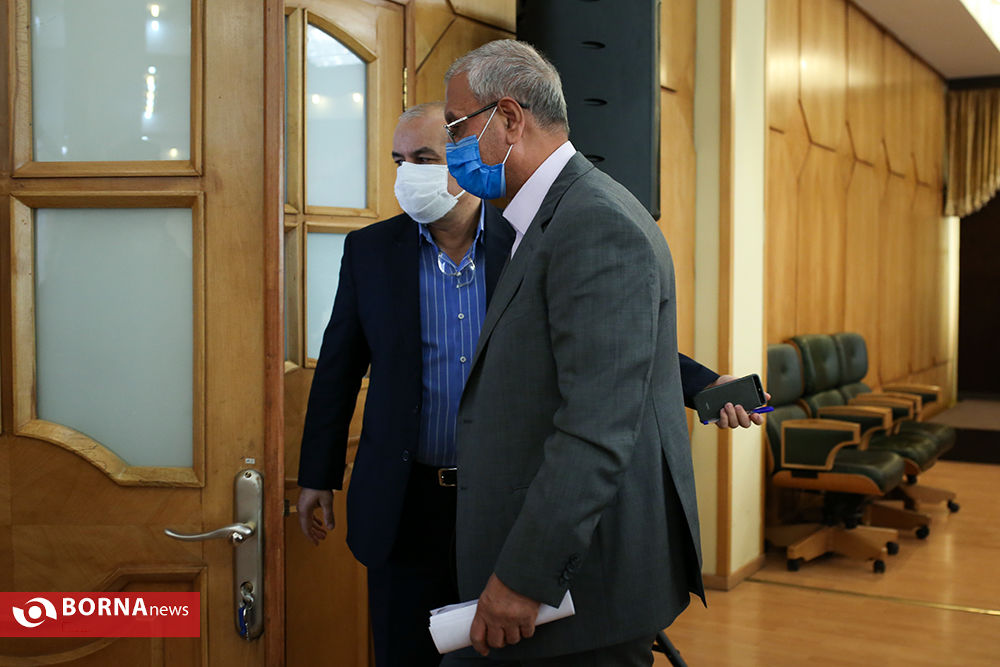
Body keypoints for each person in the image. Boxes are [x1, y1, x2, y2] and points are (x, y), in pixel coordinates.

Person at [441, 40, 710, 665]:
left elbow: (595, 428)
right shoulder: (544, 217)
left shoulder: (594, 223)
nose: (451, 145)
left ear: (510, 119)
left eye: (457, 126)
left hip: (579, 595)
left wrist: (524, 578)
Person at [296, 102, 515, 667]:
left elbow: (595, 343)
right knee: (404, 653)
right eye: (399, 160)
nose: (407, 174)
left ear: (468, 161)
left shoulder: (525, 245)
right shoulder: (370, 251)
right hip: (405, 501)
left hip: (501, 501)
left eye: (424, 158)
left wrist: (704, 384)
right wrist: (317, 474)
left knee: (497, 654)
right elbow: (339, 367)